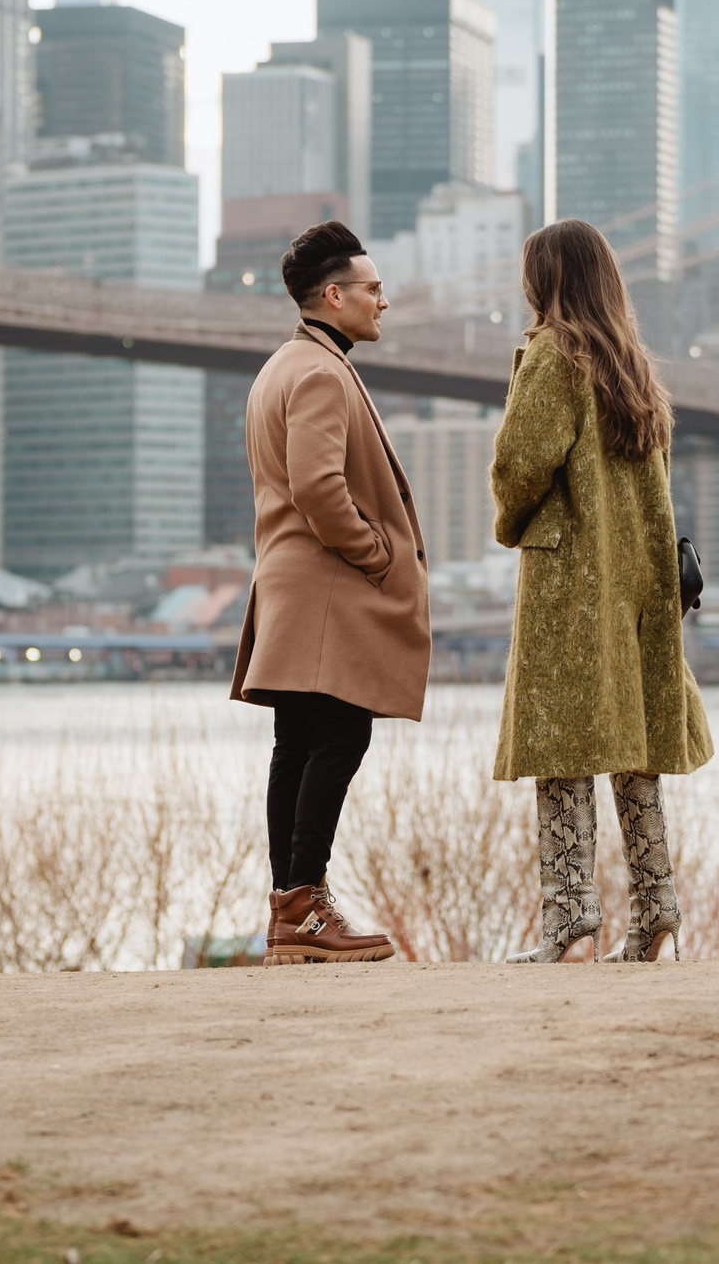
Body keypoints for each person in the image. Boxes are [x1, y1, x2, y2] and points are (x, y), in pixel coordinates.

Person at [490, 219, 713, 962]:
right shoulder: (634, 369)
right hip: (635, 589)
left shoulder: (555, 357)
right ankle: (656, 911)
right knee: (633, 749)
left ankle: (569, 912)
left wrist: (515, 519)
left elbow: (520, 464)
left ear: (548, 281)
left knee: (562, 748)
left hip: (569, 588)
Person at [230, 220, 430, 965]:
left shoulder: (280, 366)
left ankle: (290, 909)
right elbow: (318, 484)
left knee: (298, 744)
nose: (384, 301)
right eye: (374, 289)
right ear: (335, 295)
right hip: (323, 590)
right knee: (340, 736)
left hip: (288, 585)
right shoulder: (319, 372)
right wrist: (376, 550)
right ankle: (306, 907)